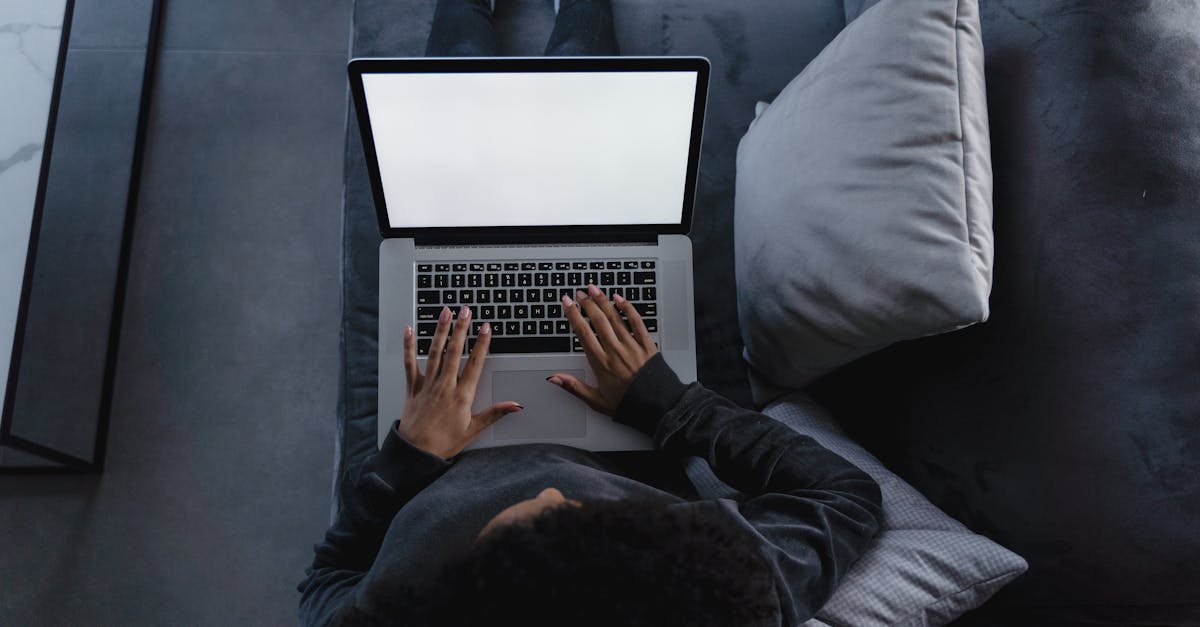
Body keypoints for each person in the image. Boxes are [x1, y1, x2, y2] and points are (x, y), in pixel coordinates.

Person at [300, 2, 882, 625]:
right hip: (631, 433)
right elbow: (847, 499)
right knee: (589, 137)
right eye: (585, 514)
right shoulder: (705, 593)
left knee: (460, 112)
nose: (552, 489)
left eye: (531, 528)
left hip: (433, 459)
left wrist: (407, 460)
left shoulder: (391, 613)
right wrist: (671, 406)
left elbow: (324, 583)